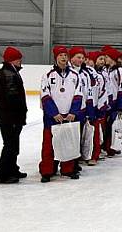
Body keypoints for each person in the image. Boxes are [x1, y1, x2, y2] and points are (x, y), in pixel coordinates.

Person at [39, 45, 83, 182]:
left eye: (65, 55)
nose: (63, 58)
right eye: (60, 55)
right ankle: (47, 170)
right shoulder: (47, 76)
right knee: (48, 146)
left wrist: (73, 112)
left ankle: (68, 169)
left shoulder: (75, 76)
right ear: (55, 58)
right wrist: (54, 113)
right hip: (52, 118)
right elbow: (45, 96)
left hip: (70, 116)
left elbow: (79, 95)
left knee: (68, 143)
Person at [0, 47, 27, 184]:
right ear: (14, 59)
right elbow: (12, 98)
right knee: (10, 145)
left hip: (9, 116)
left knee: (13, 144)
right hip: (10, 117)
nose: (21, 61)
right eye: (19, 58)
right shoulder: (8, 74)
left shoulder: (10, 72)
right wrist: (18, 116)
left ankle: (12, 169)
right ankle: (2, 174)